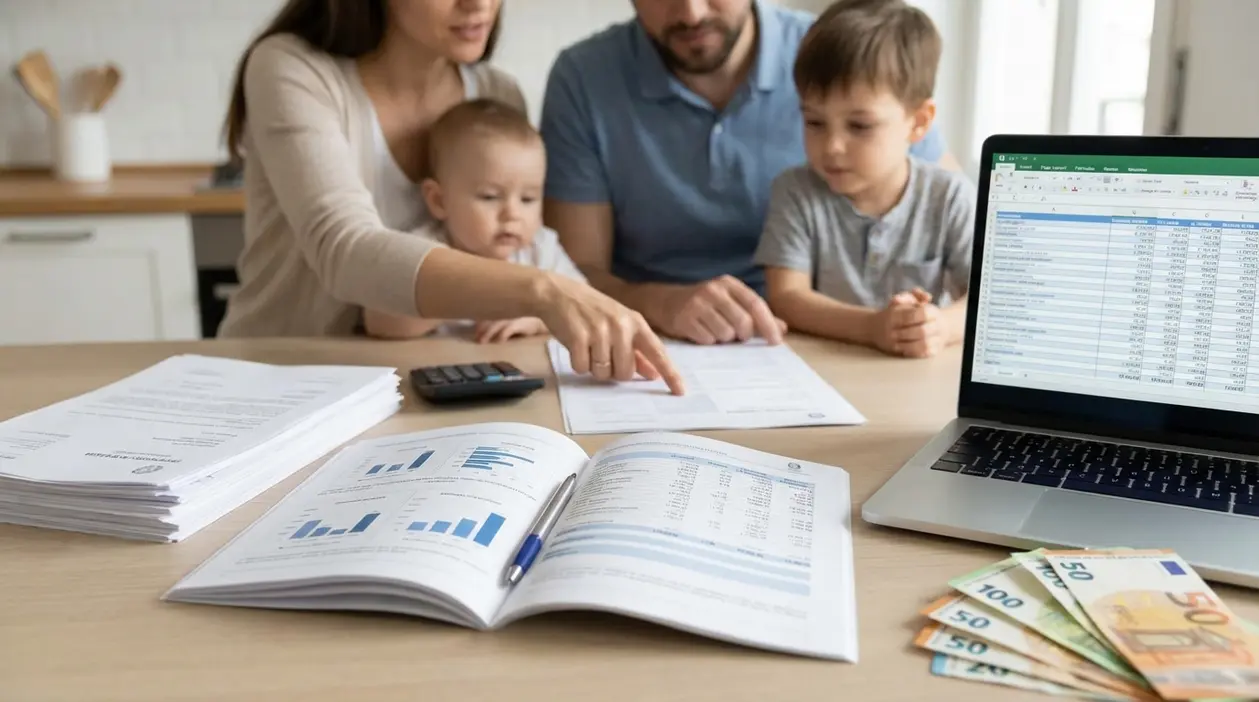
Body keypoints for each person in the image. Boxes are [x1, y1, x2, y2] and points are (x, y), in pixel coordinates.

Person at [214, 0, 683, 394]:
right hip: (278, 376)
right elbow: (344, 249)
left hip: (415, 382)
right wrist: (541, 290)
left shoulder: (495, 92)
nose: (478, 3)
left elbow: (497, 259)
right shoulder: (292, 69)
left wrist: (530, 311)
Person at [539, 0, 961, 347]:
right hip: (657, 340)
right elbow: (572, 274)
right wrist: (658, 302)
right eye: (813, 122)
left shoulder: (838, 56)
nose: (691, 13)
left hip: (817, 351)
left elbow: (976, 247)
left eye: (858, 126)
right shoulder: (584, 78)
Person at [753, 0, 975, 359]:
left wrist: (942, 326)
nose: (832, 147)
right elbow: (787, 298)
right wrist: (873, 327)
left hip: (916, 382)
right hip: (823, 374)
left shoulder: (948, 196)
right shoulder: (795, 193)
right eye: (814, 122)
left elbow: (990, 297)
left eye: (859, 126)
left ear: (919, 121)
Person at [363, 97, 587, 344]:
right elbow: (377, 321)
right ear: (439, 201)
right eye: (490, 197)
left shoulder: (540, 249)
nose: (512, 214)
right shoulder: (424, 251)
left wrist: (537, 319)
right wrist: (455, 296)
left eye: (528, 198)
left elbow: (586, 305)